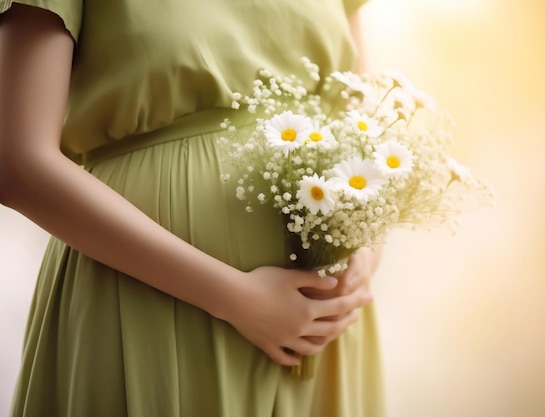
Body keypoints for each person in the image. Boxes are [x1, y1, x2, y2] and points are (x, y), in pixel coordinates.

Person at [0, 0, 387, 416]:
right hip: (145, 306)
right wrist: (235, 298)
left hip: (321, 325)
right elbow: (17, 160)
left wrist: (366, 252)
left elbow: (364, 127)